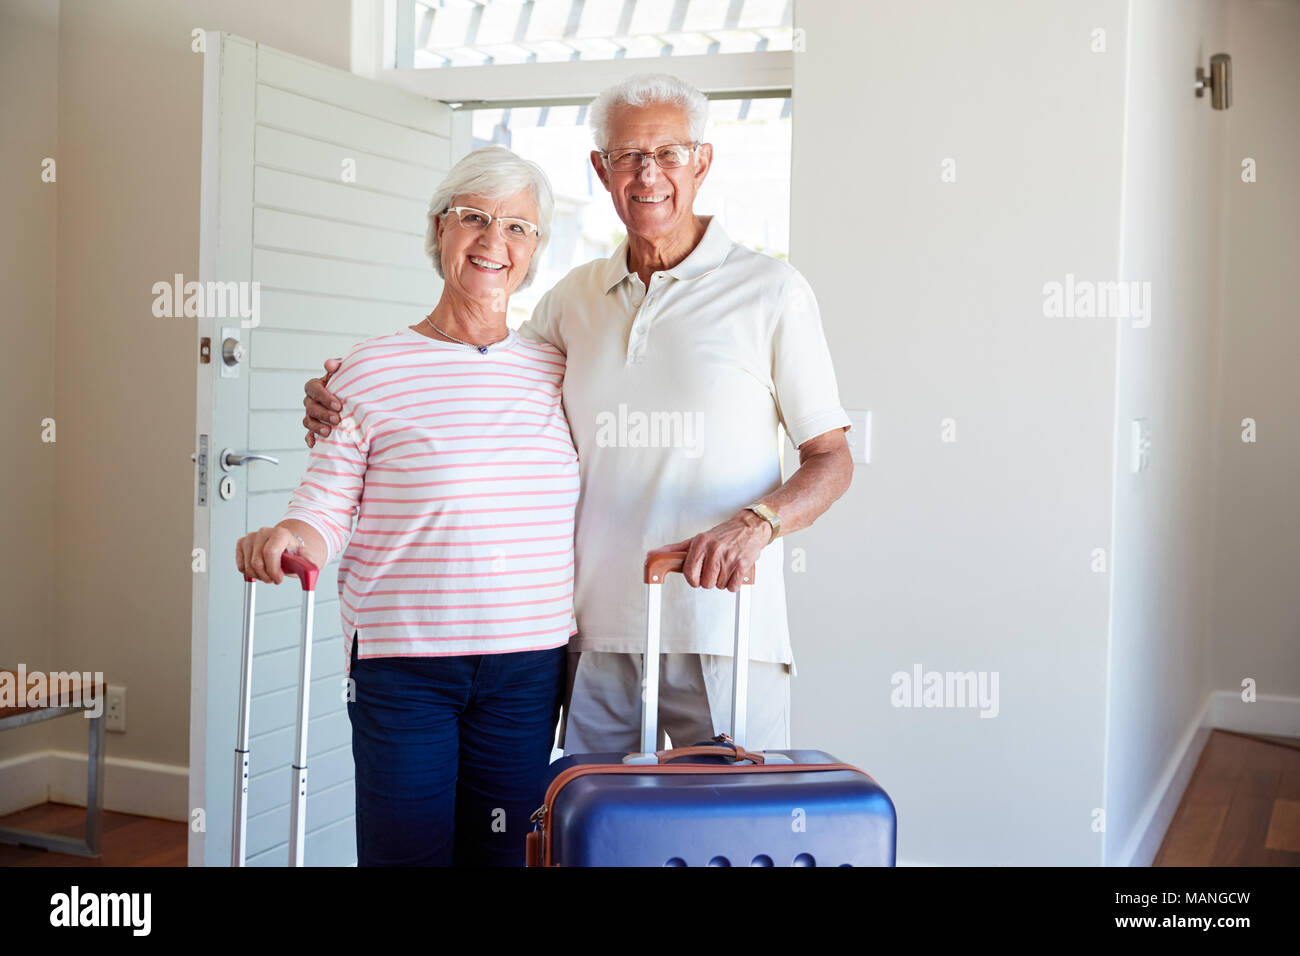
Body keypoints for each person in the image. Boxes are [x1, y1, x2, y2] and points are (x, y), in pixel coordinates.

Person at [303, 73, 853, 757]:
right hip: (593, 638)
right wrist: (347, 392)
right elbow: (483, 383)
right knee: (593, 842)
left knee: (729, 843)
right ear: (601, 169)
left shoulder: (771, 290)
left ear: (702, 162)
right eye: (628, 156)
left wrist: (758, 524)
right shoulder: (572, 298)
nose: (648, 174)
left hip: (727, 630)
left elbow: (831, 457)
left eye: (669, 153)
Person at [236, 145, 577, 866]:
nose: (494, 241)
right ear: (440, 231)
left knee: (503, 855)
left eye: (518, 227)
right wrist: (289, 538)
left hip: (527, 665)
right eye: (474, 218)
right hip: (406, 663)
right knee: (406, 855)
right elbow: (325, 505)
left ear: (537, 249)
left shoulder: (560, 369)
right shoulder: (371, 368)